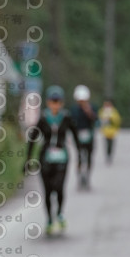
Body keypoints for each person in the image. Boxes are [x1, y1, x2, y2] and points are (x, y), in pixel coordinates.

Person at [24, 85, 80, 235]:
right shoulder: (43, 118)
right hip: (46, 157)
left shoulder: (66, 117)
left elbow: (75, 136)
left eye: (58, 101)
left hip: (62, 157)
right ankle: (49, 219)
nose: (55, 104)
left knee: (59, 187)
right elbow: (32, 138)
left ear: (62, 102)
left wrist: (80, 157)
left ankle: (60, 213)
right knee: (48, 190)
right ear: (48, 102)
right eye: (53, 101)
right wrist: (28, 159)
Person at [70, 84, 97, 189]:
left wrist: (88, 111)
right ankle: (79, 177)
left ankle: (88, 177)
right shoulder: (74, 109)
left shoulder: (92, 107)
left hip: (89, 135)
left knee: (89, 156)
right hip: (78, 136)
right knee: (79, 157)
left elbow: (95, 120)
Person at [99, 98, 122, 165]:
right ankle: (107, 155)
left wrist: (111, 119)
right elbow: (100, 120)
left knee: (111, 144)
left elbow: (117, 121)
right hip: (105, 131)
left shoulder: (114, 112)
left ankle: (110, 155)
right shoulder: (102, 111)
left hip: (112, 131)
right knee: (106, 144)